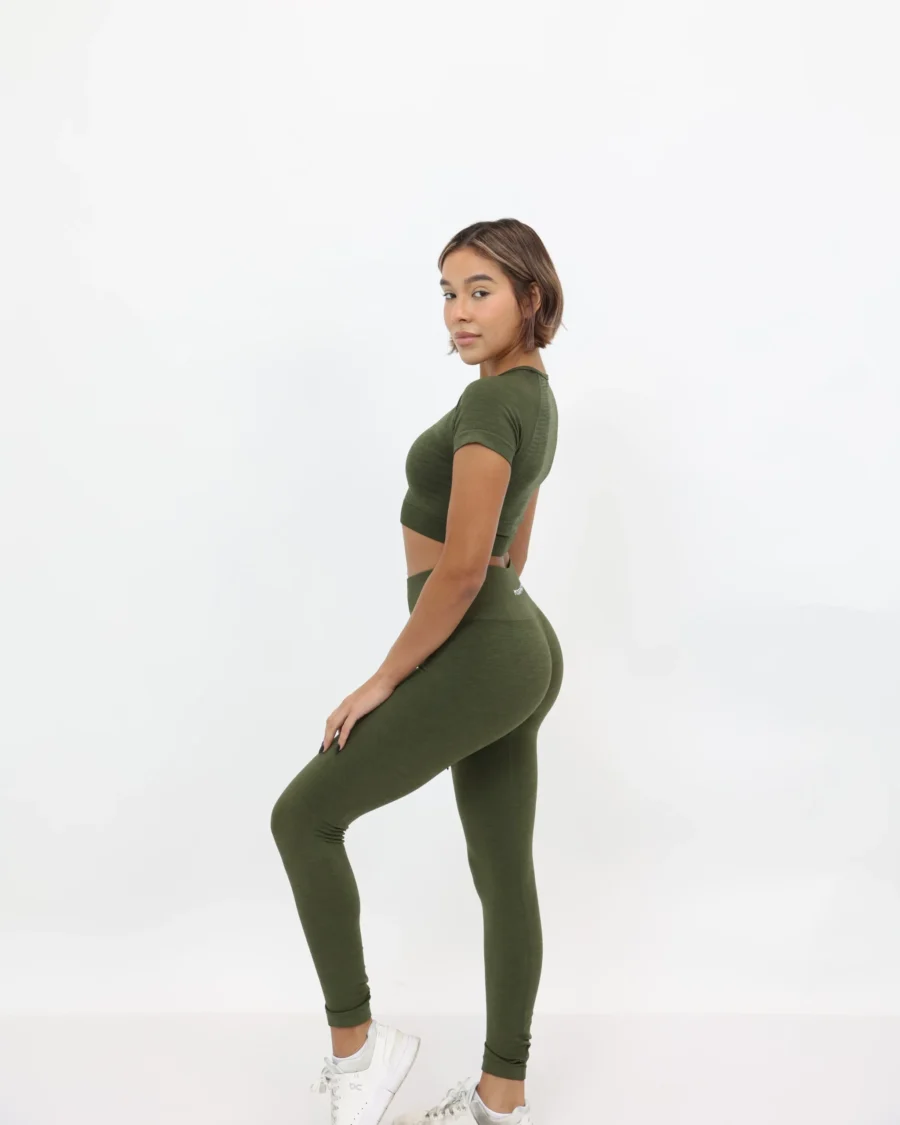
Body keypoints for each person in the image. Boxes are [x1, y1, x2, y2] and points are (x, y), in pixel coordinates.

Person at [271, 217, 566, 1125]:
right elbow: (515, 542)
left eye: (481, 290)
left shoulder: (489, 407)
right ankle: (501, 1098)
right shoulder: (533, 396)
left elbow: (468, 567)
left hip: (485, 648)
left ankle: (360, 1053)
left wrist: (383, 680)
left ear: (530, 297)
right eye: (447, 292)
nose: (459, 311)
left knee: (304, 816)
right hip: (518, 644)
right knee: (503, 868)